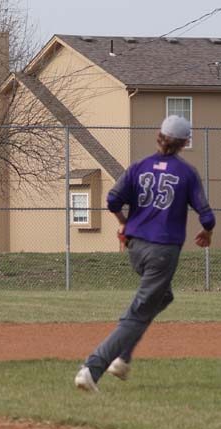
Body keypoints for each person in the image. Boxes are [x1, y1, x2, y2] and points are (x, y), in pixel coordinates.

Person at [75, 115, 215, 393]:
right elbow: (207, 216)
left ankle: (123, 359)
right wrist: (207, 232)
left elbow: (113, 199)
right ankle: (92, 368)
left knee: (163, 297)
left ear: (158, 136)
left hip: (136, 247)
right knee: (138, 313)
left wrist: (124, 223)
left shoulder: (139, 167)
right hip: (163, 251)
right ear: (185, 142)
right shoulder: (186, 173)